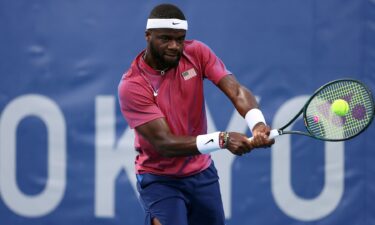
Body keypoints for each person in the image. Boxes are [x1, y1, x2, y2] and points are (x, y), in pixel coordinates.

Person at [118, 3, 275, 225]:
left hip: (202, 174)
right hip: (160, 180)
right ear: (148, 36)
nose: (174, 46)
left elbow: (237, 90)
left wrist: (257, 123)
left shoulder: (197, 52)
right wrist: (223, 139)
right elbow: (164, 143)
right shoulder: (132, 85)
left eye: (180, 39)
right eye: (165, 38)